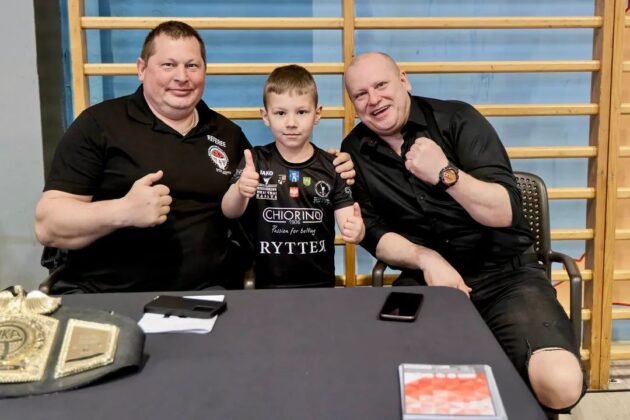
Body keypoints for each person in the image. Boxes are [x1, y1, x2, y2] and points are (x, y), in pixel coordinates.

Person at [341, 52, 585, 413]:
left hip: (506, 276)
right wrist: (427, 259)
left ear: (404, 80)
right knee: (387, 376)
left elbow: (505, 211)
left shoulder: (458, 119)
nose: (373, 99)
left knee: (560, 384)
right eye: (361, 94)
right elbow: (375, 235)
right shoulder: (355, 150)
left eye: (381, 85)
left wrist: (445, 174)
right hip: (428, 281)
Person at [34, 21, 355, 293]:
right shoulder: (100, 125)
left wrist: (324, 165)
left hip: (210, 297)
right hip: (112, 296)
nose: (182, 76)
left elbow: (273, 186)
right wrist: (122, 211)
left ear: (204, 72)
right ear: (141, 69)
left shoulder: (227, 135)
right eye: (168, 65)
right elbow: (48, 225)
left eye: (192, 66)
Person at [222, 65, 365, 288]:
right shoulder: (255, 161)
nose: (291, 123)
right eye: (280, 113)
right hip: (266, 286)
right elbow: (229, 211)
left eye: (301, 112)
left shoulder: (333, 166)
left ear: (317, 114)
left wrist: (357, 230)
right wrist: (240, 190)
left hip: (320, 285)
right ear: (265, 116)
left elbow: (350, 223)